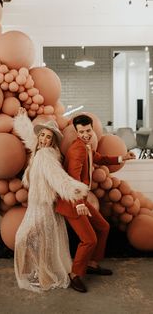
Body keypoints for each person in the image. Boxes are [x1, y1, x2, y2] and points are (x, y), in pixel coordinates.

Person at [56, 114, 136, 293]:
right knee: (89, 239)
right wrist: (78, 203)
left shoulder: (87, 147)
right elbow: (73, 179)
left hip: (81, 199)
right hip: (72, 201)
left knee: (103, 227)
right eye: (82, 132)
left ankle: (92, 263)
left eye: (88, 130)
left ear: (92, 129)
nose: (86, 134)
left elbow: (99, 158)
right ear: (76, 132)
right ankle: (75, 275)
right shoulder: (77, 150)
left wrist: (122, 158)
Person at [13, 108, 88, 292]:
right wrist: (22, 119)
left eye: (48, 137)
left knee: (28, 239)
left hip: (43, 207)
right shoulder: (38, 151)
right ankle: (42, 272)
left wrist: (74, 190)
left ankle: (46, 274)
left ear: (52, 141)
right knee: (41, 241)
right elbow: (30, 138)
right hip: (34, 205)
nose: (44, 139)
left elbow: (58, 178)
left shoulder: (46, 156)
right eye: (42, 136)